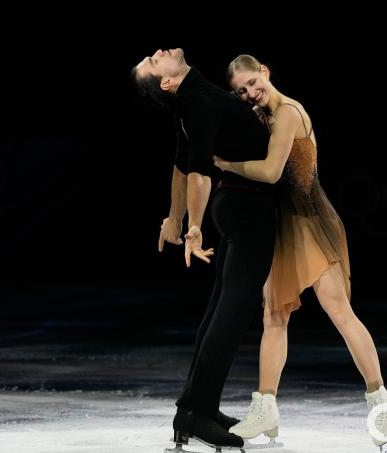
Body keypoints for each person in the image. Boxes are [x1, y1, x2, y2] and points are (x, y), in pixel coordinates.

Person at [214, 54, 387, 450]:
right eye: (241, 91)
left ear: (264, 70)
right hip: (283, 228)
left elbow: (270, 173)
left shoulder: (288, 113)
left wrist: (224, 164)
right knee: (273, 316)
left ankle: (381, 400)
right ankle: (266, 407)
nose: (250, 93)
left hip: (311, 224)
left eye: (251, 82)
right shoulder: (262, 117)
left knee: (338, 311)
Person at [132, 48, 279, 451]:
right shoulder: (195, 100)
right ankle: (195, 414)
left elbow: (180, 167)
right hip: (247, 210)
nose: (157, 52)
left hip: (239, 207)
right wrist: (192, 226)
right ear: (166, 81)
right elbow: (195, 171)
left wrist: (174, 219)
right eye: (152, 59)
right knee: (230, 316)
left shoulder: (194, 100)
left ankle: (197, 411)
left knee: (220, 309)